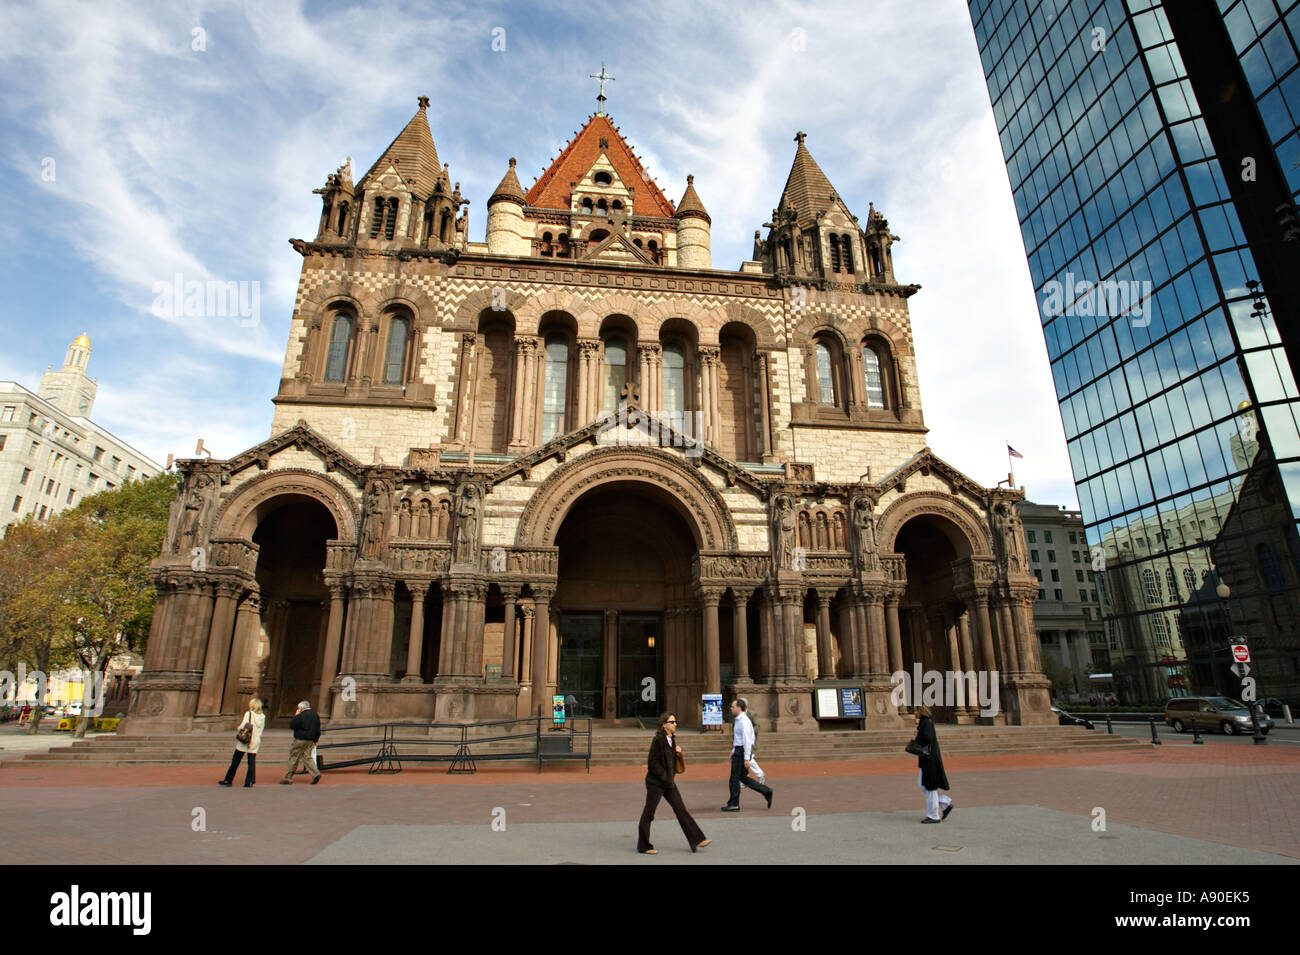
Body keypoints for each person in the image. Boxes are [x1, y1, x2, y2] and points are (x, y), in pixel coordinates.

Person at [637, 712, 710, 855]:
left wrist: (677, 753)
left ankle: (697, 839)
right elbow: (652, 762)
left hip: (668, 782)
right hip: (655, 783)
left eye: (675, 721)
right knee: (649, 813)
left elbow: (670, 762)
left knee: (681, 810)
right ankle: (643, 845)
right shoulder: (658, 740)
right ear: (664, 725)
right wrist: (664, 776)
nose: (675, 724)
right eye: (672, 722)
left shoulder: (672, 739)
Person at [721, 697, 772, 811]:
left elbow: (748, 740)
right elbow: (738, 739)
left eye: (733, 707)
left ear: (739, 707)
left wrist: (746, 758)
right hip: (739, 750)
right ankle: (766, 791)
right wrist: (733, 750)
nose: (731, 709)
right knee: (742, 778)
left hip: (742, 751)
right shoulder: (739, 720)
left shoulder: (744, 721)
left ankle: (734, 803)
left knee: (734, 779)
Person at [913, 705, 952, 823]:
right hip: (927, 759)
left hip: (929, 759)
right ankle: (945, 803)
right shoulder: (924, 722)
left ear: (920, 711)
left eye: (915, 710)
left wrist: (916, 738)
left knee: (930, 787)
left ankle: (933, 815)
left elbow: (926, 739)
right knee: (923, 784)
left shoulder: (926, 722)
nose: (914, 713)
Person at [219, 697, 265, 787]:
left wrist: (238, 728)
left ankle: (228, 780)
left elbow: (243, 726)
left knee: (235, 761)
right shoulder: (263, 716)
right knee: (251, 762)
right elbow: (261, 729)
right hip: (255, 740)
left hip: (245, 739)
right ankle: (250, 781)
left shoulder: (249, 714)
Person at [281, 700, 322, 785]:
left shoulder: (301, 715)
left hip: (300, 739)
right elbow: (318, 729)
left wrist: (296, 715)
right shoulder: (315, 715)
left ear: (301, 708)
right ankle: (316, 773)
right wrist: (315, 740)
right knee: (307, 756)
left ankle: (288, 777)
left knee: (294, 756)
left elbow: (292, 725)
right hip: (310, 739)